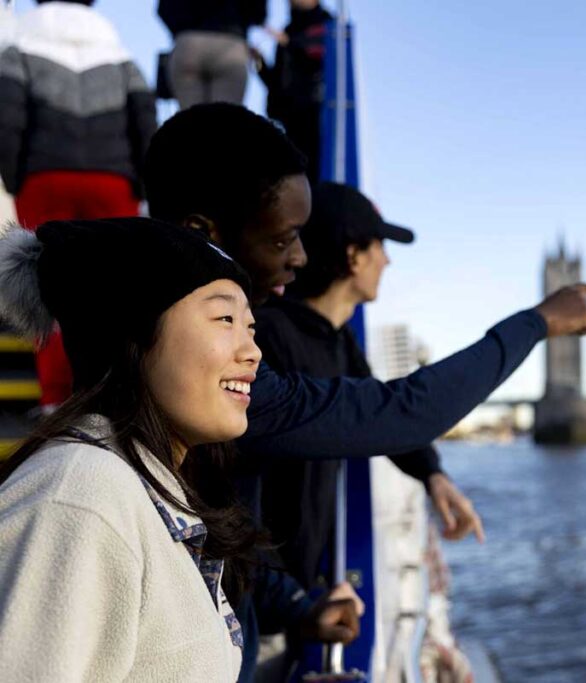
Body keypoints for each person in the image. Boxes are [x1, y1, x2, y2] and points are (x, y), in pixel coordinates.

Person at [142, 102, 586, 680]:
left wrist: (299, 607)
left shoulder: (223, 371)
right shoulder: (94, 482)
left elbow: (228, 538)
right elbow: (397, 409)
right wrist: (535, 323)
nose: (253, 351)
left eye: (247, 327)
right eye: (285, 238)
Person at [0, 217, 362, 681]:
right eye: (225, 319)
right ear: (133, 332)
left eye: (250, 327)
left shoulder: (154, 486)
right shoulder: (79, 498)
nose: (253, 352)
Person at [254, 181, 484, 677]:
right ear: (353, 256)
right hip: (259, 605)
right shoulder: (271, 338)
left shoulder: (335, 343)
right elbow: (398, 410)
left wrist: (433, 475)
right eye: (380, 247)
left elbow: (379, 412)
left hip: (296, 600)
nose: (388, 261)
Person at [0, 0, 157, 410]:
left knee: (47, 284)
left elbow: (8, 113)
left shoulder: (22, 39)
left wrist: (13, 176)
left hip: (44, 174)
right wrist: (141, 182)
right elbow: (144, 117)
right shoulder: (116, 46)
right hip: (112, 179)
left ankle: (54, 400)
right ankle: (108, 394)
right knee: (112, 288)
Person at [256, 0, 331, 182]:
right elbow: (278, 82)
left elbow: (321, 64)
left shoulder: (328, 24)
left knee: (313, 175)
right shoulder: (289, 29)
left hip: (316, 114)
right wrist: (260, 64)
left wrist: (290, 44)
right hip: (288, 118)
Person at [158, 0, 267, 108]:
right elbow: (258, 13)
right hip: (231, 43)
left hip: (189, 43)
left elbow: (163, 9)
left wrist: (181, 31)